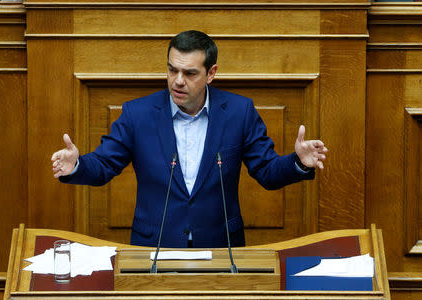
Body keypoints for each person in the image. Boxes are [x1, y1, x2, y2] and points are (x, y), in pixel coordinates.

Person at [51, 30, 328, 248]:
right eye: (172, 70)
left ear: (211, 73)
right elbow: (103, 166)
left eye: (190, 73)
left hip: (220, 248)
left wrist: (299, 162)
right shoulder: (138, 114)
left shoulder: (239, 112)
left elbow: (267, 172)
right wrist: (77, 165)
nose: (178, 81)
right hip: (155, 247)